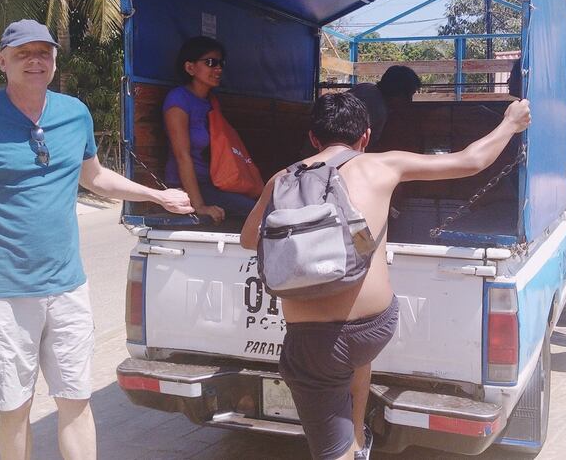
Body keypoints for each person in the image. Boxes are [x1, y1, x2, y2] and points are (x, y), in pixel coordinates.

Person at [0, 20, 193, 460]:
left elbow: (94, 178)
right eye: (23, 53)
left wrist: (154, 195)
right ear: (2, 61)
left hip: (68, 287)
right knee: (15, 409)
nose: (35, 61)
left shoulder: (75, 114)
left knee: (76, 400)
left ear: (54, 59)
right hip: (2, 293)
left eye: (44, 52)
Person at [241, 92, 531, 460]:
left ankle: (347, 448)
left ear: (313, 138)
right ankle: (358, 439)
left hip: (314, 343)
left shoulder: (281, 180)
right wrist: (510, 121)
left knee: (331, 448)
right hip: (375, 327)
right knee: (355, 360)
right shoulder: (383, 165)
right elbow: (472, 161)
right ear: (365, 136)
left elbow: (249, 239)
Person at [163, 36, 258, 224]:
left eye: (221, 63)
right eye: (210, 62)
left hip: (215, 182)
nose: (219, 69)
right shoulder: (178, 101)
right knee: (256, 212)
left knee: (263, 203)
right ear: (190, 68)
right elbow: (183, 157)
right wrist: (199, 206)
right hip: (189, 186)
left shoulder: (211, 102)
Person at [347, 65, 421, 147]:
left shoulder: (365, 88)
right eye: (408, 95)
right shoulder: (377, 108)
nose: (409, 100)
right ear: (397, 93)